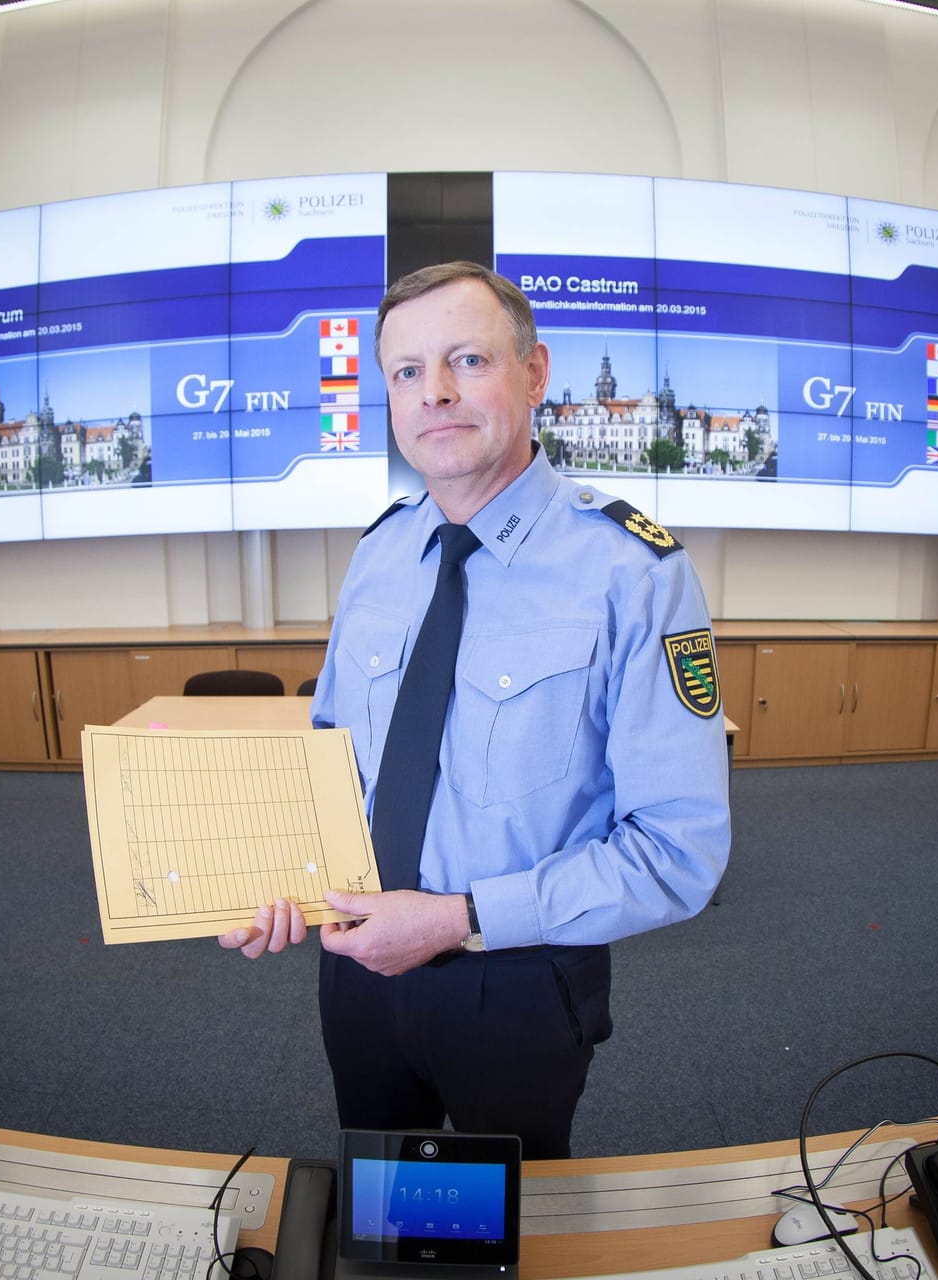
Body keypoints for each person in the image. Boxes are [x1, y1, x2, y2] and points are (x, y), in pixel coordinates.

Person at [219, 261, 731, 1158]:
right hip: (356, 970)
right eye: (408, 372)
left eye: (468, 360)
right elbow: (331, 764)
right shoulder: (379, 553)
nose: (437, 395)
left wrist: (456, 919)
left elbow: (679, 854)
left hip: (518, 981)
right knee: (381, 1206)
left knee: (520, 1221)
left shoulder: (633, 573)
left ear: (534, 373)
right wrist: (274, 878)